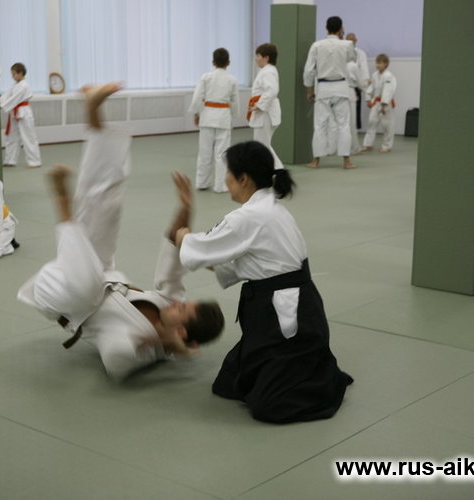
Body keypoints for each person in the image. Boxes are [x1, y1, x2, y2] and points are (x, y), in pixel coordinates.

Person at [17, 83, 225, 381]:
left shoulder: (141, 348)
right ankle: (93, 111)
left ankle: (62, 200)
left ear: (181, 332)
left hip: (61, 296)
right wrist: (186, 207)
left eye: (183, 309)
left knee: (86, 283)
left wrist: (166, 344)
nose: (179, 302)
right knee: (108, 205)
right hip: (100, 273)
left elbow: (116, 362)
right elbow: (173, 243)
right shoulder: (169, 301)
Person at [176, 141, 353, 424]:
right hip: (285, 305)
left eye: (228, 173)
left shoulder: (249, 216)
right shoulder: (270, 207)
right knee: (228, 383)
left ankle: (316, 380)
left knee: (269, 405)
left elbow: (197, 250)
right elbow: (235, 264)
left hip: (287, 315)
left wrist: (183, 238)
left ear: (244, 178)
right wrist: (189, 244)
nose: (226, 180)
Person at [303, 16, 357, 170]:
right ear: (341, 29)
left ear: (326, 28)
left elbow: (309, 71)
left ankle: (316, 161)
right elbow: (352, 58)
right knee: (343, 125)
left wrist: (309, 91)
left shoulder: (317, 45)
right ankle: (346, 161)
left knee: (320, 125)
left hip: (323, 88)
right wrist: (342, 38)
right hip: (341, 88)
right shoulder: (347, 45)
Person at [189, 48, 239, 192]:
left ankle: (202, 183)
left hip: (207, 116)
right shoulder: (232, 80)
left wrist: (196, 113)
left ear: (213, 62)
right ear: (228, 62)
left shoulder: (206, 77)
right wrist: (234, 115)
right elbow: (235, 101)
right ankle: (220, 185)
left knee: (204, 152)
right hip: (223, 117)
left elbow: (198, 96)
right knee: (222, 154)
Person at [248, 43, 284, 170]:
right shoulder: (268, 71)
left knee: (262, 148)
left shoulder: (267, 72)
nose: (256, 59)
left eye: (258, 56)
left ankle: (278, 172)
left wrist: (259, 105)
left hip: (265, 114)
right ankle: (278, 172)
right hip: (266, 113)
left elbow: (272, 90)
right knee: (263, 147)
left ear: (266, 58)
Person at [0, 62, 42, 168]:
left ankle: (34, 161)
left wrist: (2, 106)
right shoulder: (15, 85)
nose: (12, 76)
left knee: (28, 137)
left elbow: (15, 98)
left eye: (14, 74)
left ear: (20, 73)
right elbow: (6, 96)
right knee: (11, 136)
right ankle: (10, 160)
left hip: (24, 112)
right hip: (14, 112)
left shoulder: (24, 86)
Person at [361, 54, 397, 153]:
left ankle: (387, 146)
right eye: (377, 63)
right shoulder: (375, 75)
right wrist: (368, 99)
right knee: (371, 123)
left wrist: (384, 104)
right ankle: (368, 144)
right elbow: (371, 87)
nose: (377, 65)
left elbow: (388, 90)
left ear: (386, 64)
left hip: (386, 104)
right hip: (376, 102)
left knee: (387, 125)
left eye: (380, 63)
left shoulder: (389, 76)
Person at [345, 33, 370, 152]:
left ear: (356, 40)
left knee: (353, 119)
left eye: (353, 40)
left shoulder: (361, 54)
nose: (351, 42)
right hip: (343, 87)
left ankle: (354, 145)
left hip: (355, 87)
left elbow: (364, 70)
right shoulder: (341, 51)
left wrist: (364, 86)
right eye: (349, 40)